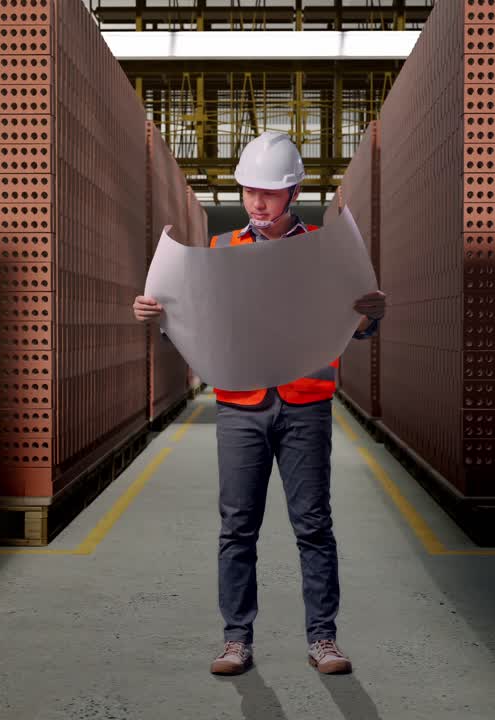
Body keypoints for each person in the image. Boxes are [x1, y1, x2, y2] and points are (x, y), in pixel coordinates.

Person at [132, 131, 387, 676]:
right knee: (237, 526)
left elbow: (353, 325)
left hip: (305, 403)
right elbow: (196, 325)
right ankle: (236, 640)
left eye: (269, 192)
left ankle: (323, 639)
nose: (257, 202)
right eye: (250, 191)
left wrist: (371, 315)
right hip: (240, 405)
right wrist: (158, 319)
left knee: (313, 524)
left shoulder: (324, 250)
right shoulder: (220, 250)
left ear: (293, 192)